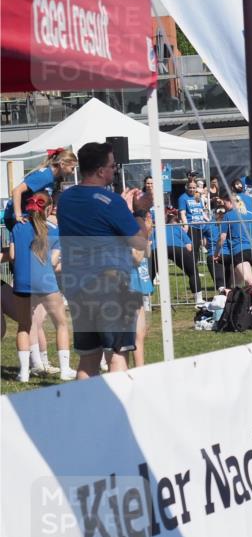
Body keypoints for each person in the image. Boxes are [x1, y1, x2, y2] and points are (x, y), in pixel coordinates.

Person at [57, 142, 150, 379]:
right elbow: (139, 244)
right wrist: (139, 212)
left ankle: (85, 413)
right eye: (112, 166)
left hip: (77, 286)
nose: (114, 170)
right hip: (111, 286)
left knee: (88, 358)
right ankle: (116, 414)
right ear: (100, 171)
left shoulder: (65, 199)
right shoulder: (111, 202)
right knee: (117, 356)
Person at [8, 192, 75, 382]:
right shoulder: (52, 231)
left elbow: (12, 256)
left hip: (21, 282)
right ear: (47, 209)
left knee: (24, 325)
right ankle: (64, 369)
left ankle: (24, 373)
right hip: (45, 283)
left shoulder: (17, 229)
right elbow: (53, 262)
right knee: (60, 323)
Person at [4, 148, 78, 232]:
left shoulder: (55, 179)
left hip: (31, 214)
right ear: (62, 164)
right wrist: (18, 215)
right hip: (15, 216)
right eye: (72, 168)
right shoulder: (44, 176)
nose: (73, 172)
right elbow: (16, 191)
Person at [129, 208, 154, 367]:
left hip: (139, 284)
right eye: (145, 219)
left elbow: (148, 255)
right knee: (134, 332)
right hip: (129, 285)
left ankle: (140, 368)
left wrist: (148, 235)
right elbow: (136, 258)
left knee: (140, 331)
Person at [177, 179, 209, 304]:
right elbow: (183, 212)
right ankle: (193, 271)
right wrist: (185, 225)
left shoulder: (197, 197)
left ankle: (194, 271)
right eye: (190, 187)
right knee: (193, 251)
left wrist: (206, 219)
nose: (192, 189)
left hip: (201, 225)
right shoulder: (183, 198)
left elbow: (201, 210)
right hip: (191, 226)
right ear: (186, 187)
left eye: (194, 187)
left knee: (199, 249)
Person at [218, 195, 252, 287]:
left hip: (239, 251)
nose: (224, 206)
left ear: (230, 202)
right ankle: (235, 298)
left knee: (249, 281)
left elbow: (222, 237)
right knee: (236, 282)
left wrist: (216, 252)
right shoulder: (251, 215)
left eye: (225, 203)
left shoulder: (228, 215)